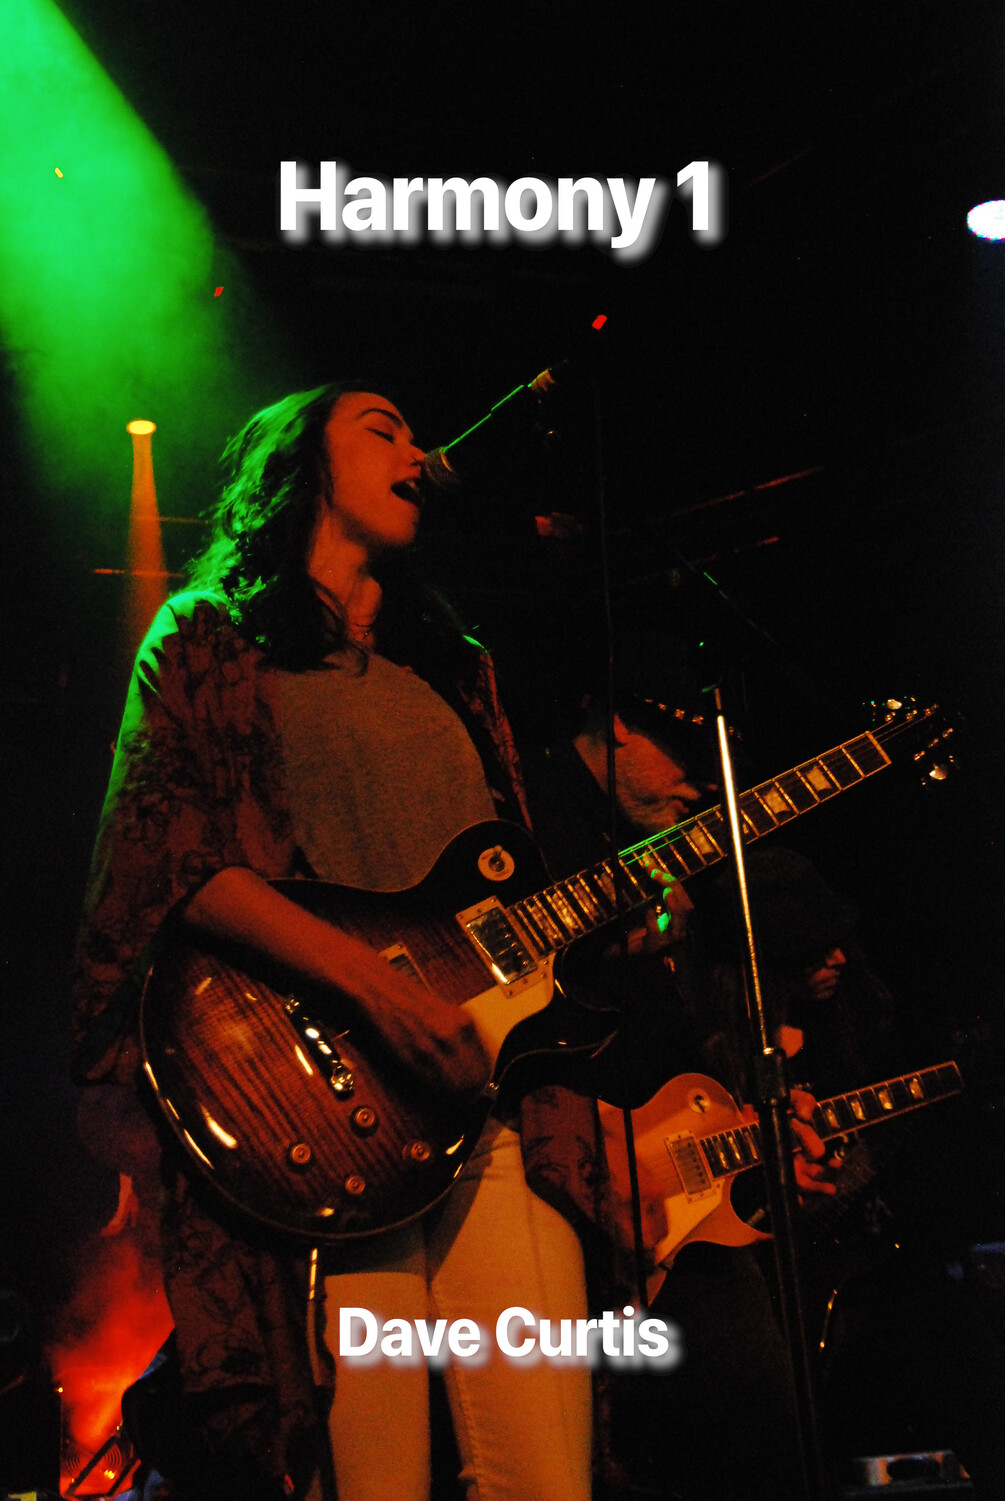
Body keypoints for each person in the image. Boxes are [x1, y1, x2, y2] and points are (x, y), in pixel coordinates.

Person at [72, 382, 596, 1501]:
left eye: (415, 430)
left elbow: (496, 885)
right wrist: (381, 991)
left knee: (549, 1477)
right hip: (321, 1117)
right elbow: (170, 860)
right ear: (301, 467)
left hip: (489, 1115)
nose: (417, 449)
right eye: (382, 429)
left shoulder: (452, 664)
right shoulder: (209, 638)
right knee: (371, 1479)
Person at [520, 697, 837, 1501]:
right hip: (560, 1184)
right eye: (682, 754)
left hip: (676, 1213)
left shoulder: (661, 862)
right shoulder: (528, 816)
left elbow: (678, 1060)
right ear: (619, 723)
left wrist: (752, 1143)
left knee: (763, 1440)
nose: (697, 784)